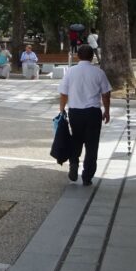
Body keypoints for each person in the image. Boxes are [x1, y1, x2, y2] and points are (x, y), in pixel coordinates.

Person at [58, 45, 112, 185]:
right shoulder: (99, 72)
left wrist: (62, 109)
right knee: (92, 145)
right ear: (92, 56)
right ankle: (87, 176)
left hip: (75, 112)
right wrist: (107, 110)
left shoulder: (70, 72)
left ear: (78, 56)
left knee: (76, 140)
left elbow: (64, 93)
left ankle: (74, 163)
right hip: (93, 112)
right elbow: (106, 94)